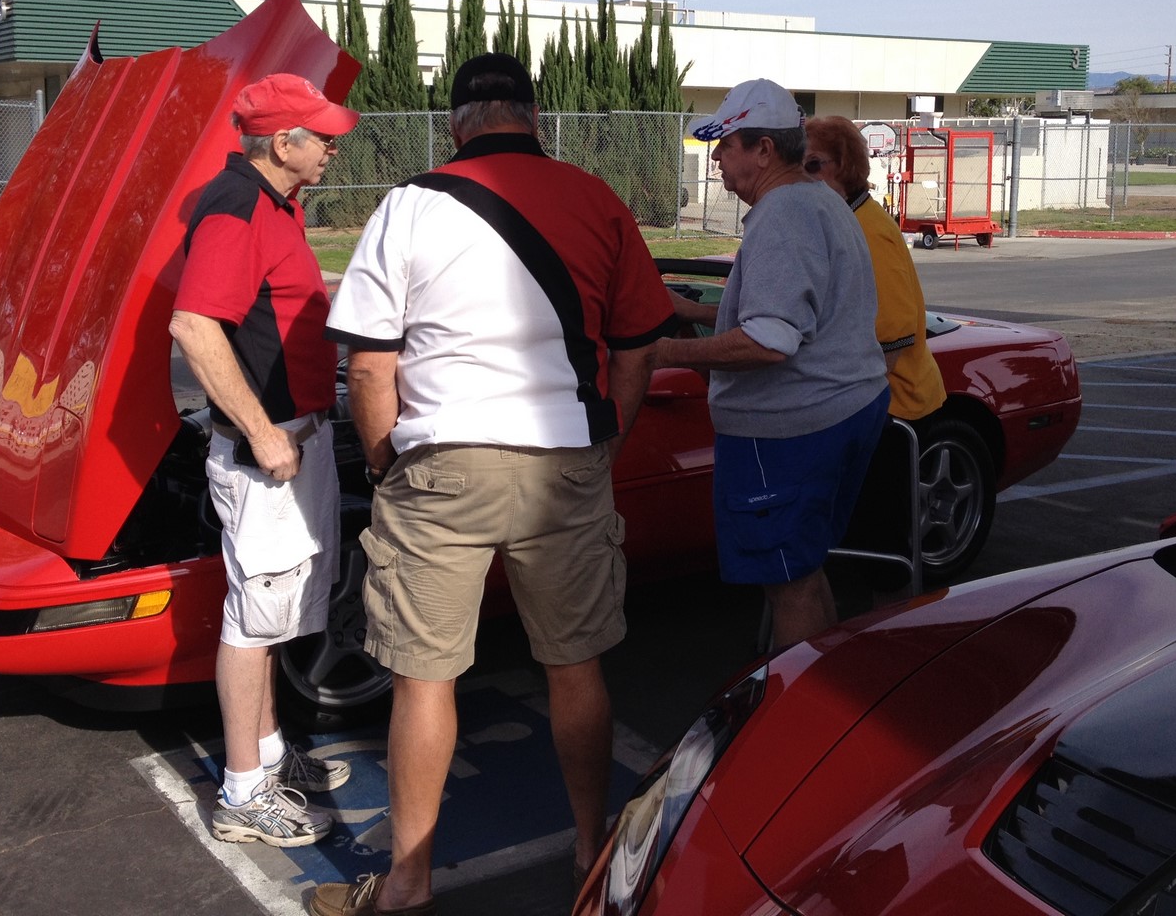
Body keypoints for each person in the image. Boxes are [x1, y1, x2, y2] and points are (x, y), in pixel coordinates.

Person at [311, 53, 676, 916]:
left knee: (424, 680)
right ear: (535, 118)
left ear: (455, 126)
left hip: (443, 461)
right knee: (574, 665)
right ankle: (591, 851)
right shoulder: (597, 199)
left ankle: (408, 881)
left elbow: (369, 363)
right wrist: (607, 441)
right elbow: (639, 346)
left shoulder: (407, 205)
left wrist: (382, 460)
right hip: (564, 459)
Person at [169, 73, 357, 848]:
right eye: (322, 138)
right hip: (267, 455)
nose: (332, 150)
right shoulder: (239, 205)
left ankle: (271, 757)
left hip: (293, 440)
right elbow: (194, 324)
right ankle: (244, 794)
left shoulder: (275, 201)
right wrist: (264, 430)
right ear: (283, 143)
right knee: (252, 622)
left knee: (275, 613)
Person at [657, 80, 890, 652]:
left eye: (725, 144)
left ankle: (799, 719)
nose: (715, 157)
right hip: (843, 409)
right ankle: (822, 690)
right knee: (805, 572)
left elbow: (770, 340)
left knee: (790, 586)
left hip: (790, 431)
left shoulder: (781, 214)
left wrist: (663, 352)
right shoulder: (820, 200)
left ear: (763, 149)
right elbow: (794, 313)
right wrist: (696, 310)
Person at [803, 116, 946, 423]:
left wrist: (853, 407)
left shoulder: (867, 228)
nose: (802, 176)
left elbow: (894, 330)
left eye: (812, 165)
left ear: (842, 166)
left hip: (897, 406)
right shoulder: (847, 217)